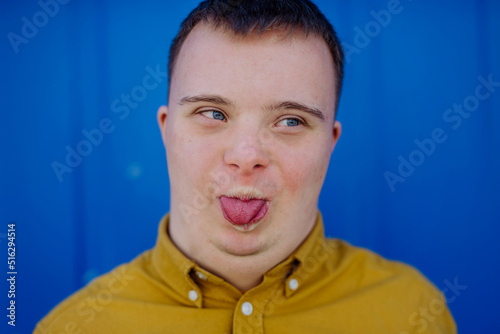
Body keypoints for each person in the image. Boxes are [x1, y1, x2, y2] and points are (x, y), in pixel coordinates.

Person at [35, 0, 457, 333]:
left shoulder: (412, 314)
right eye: (212, 113)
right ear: (167, 131)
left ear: (330, 144)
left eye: (291, 121)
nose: (246, 155)